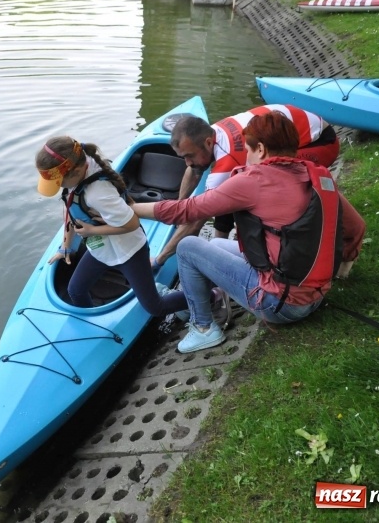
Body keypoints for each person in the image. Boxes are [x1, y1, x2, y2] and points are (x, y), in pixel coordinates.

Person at [132, 111, 366, 354]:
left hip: (279, 306)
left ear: (261, 149)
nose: (246, 157)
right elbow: (356, 227)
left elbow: (186, 211)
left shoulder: (253, 181)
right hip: (314, 296)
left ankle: (204, 328)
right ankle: (194, 300)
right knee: (217, 246)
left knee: (188, 247)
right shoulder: (318, 175)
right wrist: (336, 272)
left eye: (248, 150)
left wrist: (131, 210)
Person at [151, 104, 340, 269]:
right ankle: (221, 242)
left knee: (266, 186)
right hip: (298, 127)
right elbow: (193, 170)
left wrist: (160, 259)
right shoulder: (210, 133)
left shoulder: (226, 162)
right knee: (228, 190)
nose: (187, 162)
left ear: (209, 143)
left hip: (320, 141)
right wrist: (179, 204)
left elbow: (196, 221)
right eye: (183, 156)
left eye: (189, 155)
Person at [35, 136, 190, 316]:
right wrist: (66, 247)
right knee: (75, 290)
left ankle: (212, 296)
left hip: (130, 252)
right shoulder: (78, 170)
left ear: (77, 171)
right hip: (101, 249)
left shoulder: (97, 194)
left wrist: (92, 230)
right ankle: (91, 322)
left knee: (155, 307)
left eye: (59, 182)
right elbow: (69, 209)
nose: (59, 187)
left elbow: (132, 223)